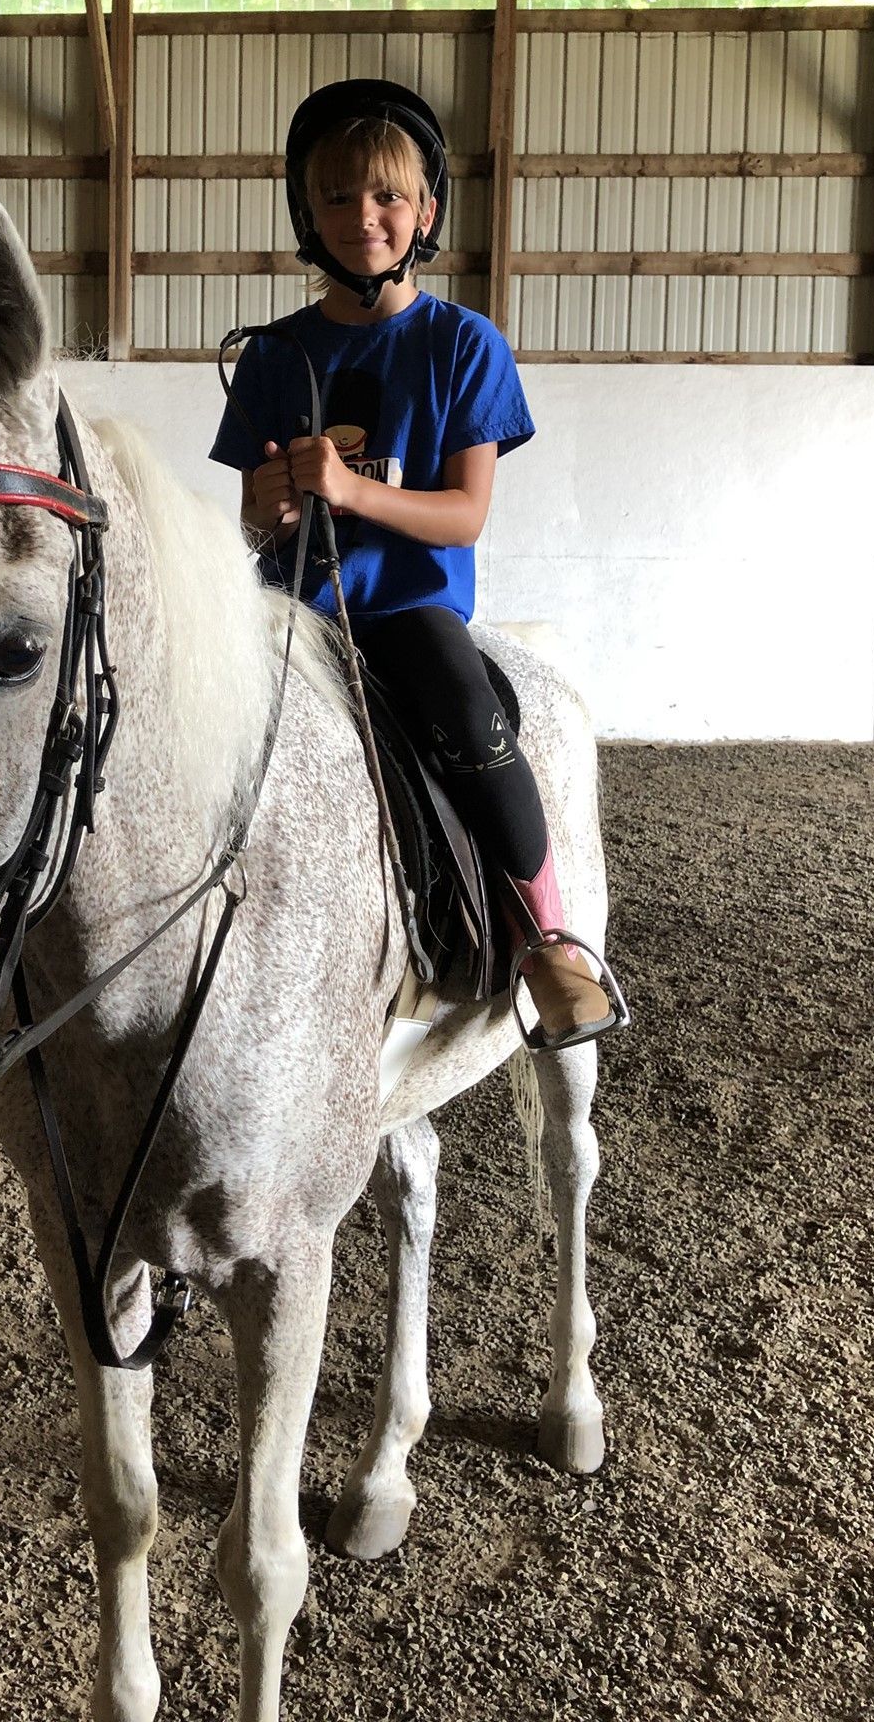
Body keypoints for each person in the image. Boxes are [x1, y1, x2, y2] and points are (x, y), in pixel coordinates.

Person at [209, 78, 620, 1049]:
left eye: (388, 196)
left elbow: (464, 515)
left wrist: (349, 491)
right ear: (306, 213)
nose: (364, 217)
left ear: (425, 211)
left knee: (470, 717)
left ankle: (548, 942)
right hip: (290, 611)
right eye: (339, 197)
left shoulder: (462, 345)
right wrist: (269, 507)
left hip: (406, 612)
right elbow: (253, 519)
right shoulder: (273, 357)